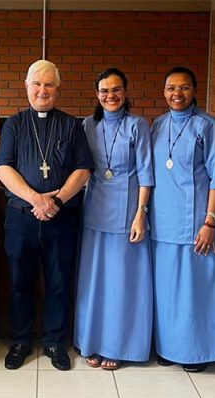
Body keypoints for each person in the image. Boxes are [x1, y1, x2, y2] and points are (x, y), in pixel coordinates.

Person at [0, 59, 93, 371]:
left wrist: (57, 201)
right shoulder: (14, 124)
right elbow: (3, 167)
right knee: (20, 281)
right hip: (21, 218)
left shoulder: (71, 125)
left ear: (58, 89)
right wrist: (37, 199)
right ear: (26, 87)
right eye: (36, 84)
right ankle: (21, 340)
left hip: (61, 219)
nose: (42, 90)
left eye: (49, 84)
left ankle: (54, 341)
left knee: (59, 282)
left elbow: (83, 169)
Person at [149, 66, 215, 373]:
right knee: (169, 291)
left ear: (194, 90)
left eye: (184, 88)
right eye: (171, 88)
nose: (177, 94)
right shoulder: (157, 125)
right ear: (164, 92)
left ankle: (197, 352)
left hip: (197, 224)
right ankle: (170, 348)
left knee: (195, 292)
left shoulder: (207, 125)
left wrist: (210, 222)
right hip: (164, 223)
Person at [73, 68, 154, 370]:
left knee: (121, 283)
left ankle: (118, 345)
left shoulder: (138, 125)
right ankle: (91, 342)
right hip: (95, 209)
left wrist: (141, 214)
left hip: (128, 212)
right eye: (104, 91)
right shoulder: (86, 125)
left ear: (125, 91)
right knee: (95, 282)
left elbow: (147, 174)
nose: (111, 96)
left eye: (116, 89)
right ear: (96, 95)